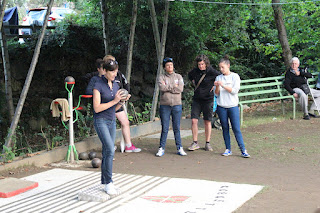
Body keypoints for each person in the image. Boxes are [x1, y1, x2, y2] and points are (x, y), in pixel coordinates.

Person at [85, 55, 141, 153]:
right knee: (109, 148)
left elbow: (124, 87)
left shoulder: (116, 78)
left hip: (113, 108)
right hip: (102, 112)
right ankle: (109, 148)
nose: (114, 72)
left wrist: (123, 98)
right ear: (104, 68)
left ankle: (127, 145)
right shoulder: (97, 81)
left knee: (125, 122)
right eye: (111, 69)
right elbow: (94, 102)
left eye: (115, 67)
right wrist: (102, 95)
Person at [92, 58, 125, 195]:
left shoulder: (116, 85)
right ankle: (109, 182)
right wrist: (115, 101)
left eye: (116, 71)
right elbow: (97, 108)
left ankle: (106, 182)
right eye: (111, 71)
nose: (114, 74)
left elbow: (115, 107)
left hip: (111, 120)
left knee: (107, 152)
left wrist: (121, 102)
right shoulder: (97, 85)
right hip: (100, 120)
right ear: (104, 71)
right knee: (110, 149)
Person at [214, 56, 250, 158]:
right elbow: (216, 94)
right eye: (220, 67)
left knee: (236, 128)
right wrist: (217, 86)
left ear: (228, 66)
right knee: (225, 128)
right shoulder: (218, 77)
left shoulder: (235, 76)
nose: (221, 69)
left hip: (232, 106)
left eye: (223, 67)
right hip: (221, 106)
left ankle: (243, 149)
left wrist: (223, 85)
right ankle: (228, 149)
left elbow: (234, 91)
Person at [187, 54, 220, 151]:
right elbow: (189, 76)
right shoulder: (195, 71)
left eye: (202, 64)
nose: (201, 66)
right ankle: (195, 142)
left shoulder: (211, 71)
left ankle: (207, 143)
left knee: (207, 121)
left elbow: (220, 77)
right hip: (197, 99)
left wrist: (215, 85)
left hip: (208, 100)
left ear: (206, 63)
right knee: (194, 120)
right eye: (199, 64)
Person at [156, 57, 187, 157]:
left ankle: (179, 147)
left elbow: (180, 89)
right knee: (165, 127)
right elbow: (162, 87)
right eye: (168, 65)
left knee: (176, 127)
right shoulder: (161, 77)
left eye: (171, 65)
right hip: (165, 105)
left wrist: (168, 87)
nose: (170, 67)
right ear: (164, 67)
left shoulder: (178, 76)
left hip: (177, 105)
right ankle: (161, 148)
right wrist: (173, 86)